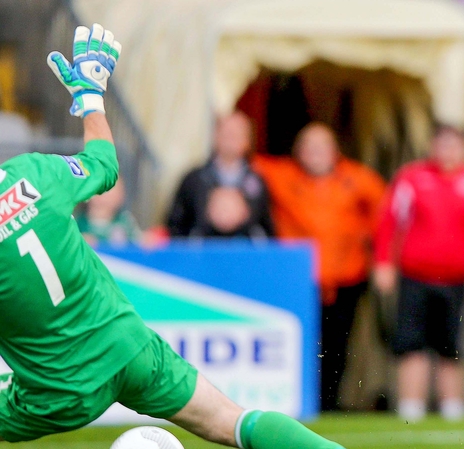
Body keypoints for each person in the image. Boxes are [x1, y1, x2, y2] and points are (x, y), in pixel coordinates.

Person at [0, 23, 343, 448]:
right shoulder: (33, 172)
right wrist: (90, 98)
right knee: (234, 422)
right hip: (129, 348)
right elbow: (104, 164)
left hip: (60, 390)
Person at [372, 126, 464, 422]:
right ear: (433, 145)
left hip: (455, 281)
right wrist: (383, 263)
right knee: (411, 343)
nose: (447, 151)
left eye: (454, 145)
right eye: (442, 144)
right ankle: (411, 405)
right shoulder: (412, 178)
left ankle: (451, 406)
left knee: (450, 345)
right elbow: (389, 222)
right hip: (415, 277)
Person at [252, 122, 385, 411]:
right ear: (298, 151)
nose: (315, 153)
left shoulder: (358, 179)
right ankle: (298, 402)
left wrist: (374, 249)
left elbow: (384, 215)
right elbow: (244, 164)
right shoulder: (281, 175)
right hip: (298, 280)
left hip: (344, 280)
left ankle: (329, 404)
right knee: (298, 344)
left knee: (337, 348)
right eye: (308, 146)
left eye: (321, 146)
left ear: (335, 150)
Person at [167, 111, 274, 238]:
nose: (230, 137)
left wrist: (244, 218)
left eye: (237, 133)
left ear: (247, 141)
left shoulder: (258, 182)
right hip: (201, 254)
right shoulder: (193, 179)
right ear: (215, 136)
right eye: (226, 132)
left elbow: (267, 231)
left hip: (243, 255)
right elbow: (174, 227)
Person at [76, 178, 141, 246]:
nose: (105, 196)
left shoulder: (125, 221)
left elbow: (139, 242)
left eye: (113, 190)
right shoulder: (78, 222)